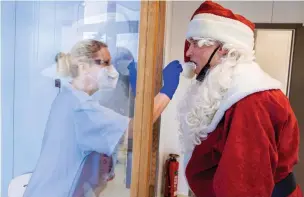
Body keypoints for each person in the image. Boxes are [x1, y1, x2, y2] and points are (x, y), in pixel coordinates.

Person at [23, 39, 183, 197]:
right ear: (83, 67)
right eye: (104, 63)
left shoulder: (67, 96)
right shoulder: (82, 108)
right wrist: (167, 90)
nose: (112, 70)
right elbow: (137, 129)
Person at [174, 1, 303, 197]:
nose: (188, 53)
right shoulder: (231, 91)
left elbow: (244, 188)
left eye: (194, 43)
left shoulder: (250, 101)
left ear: (223, 48)